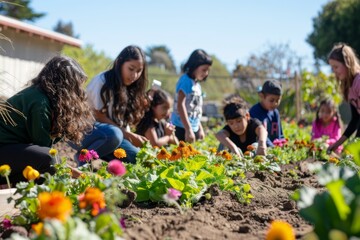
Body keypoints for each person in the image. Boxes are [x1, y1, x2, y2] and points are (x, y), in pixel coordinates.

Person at [0, 55, 94, 184]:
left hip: (9, 153)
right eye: (77, 86)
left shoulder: (44, 98)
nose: (80, 92)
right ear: (65, 86)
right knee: (48, 159)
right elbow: (47, 156)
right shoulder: (40, 103)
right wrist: (81, 176)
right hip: (3, 151)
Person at [71, 45, 148, 164]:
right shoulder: (102, 81)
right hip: (82, 132)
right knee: (115, 135)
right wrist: (128, 135)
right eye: (131, 69)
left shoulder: (130, 88)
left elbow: (122, 122)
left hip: (110, 135)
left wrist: (131, 136)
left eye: (139, 71)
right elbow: (98, 115)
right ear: (119, 63)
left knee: (139, 158)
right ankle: (83, 158)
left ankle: (97, 153)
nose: (134, 75)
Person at [171, 49, 212, 143]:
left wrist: (199, 128)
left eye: (208, 70)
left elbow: (196, 110)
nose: (206, 73)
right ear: (194, 66)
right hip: (181, 127)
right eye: (204, 70)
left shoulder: (197, 85)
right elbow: (180, 105)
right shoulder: (186, 81)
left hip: (192, 127)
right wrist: (188, 129)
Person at [327, 43, 360, 153]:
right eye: (332, 68)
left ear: (347, 63)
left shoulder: (358, 82)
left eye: (336, 67)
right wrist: (337, 144)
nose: (334, 71)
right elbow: (355, 120)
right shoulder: (349, 87)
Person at [249, 80, 285, 147]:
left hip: (274, 150)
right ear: (262, 96)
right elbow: (259, 135)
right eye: (271, 100)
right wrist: (272, 148)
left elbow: (280, 135)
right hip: (259, 149)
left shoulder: (275, 113)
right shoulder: (255, 112)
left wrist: (283, 145)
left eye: (278, 100)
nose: (275, 103)